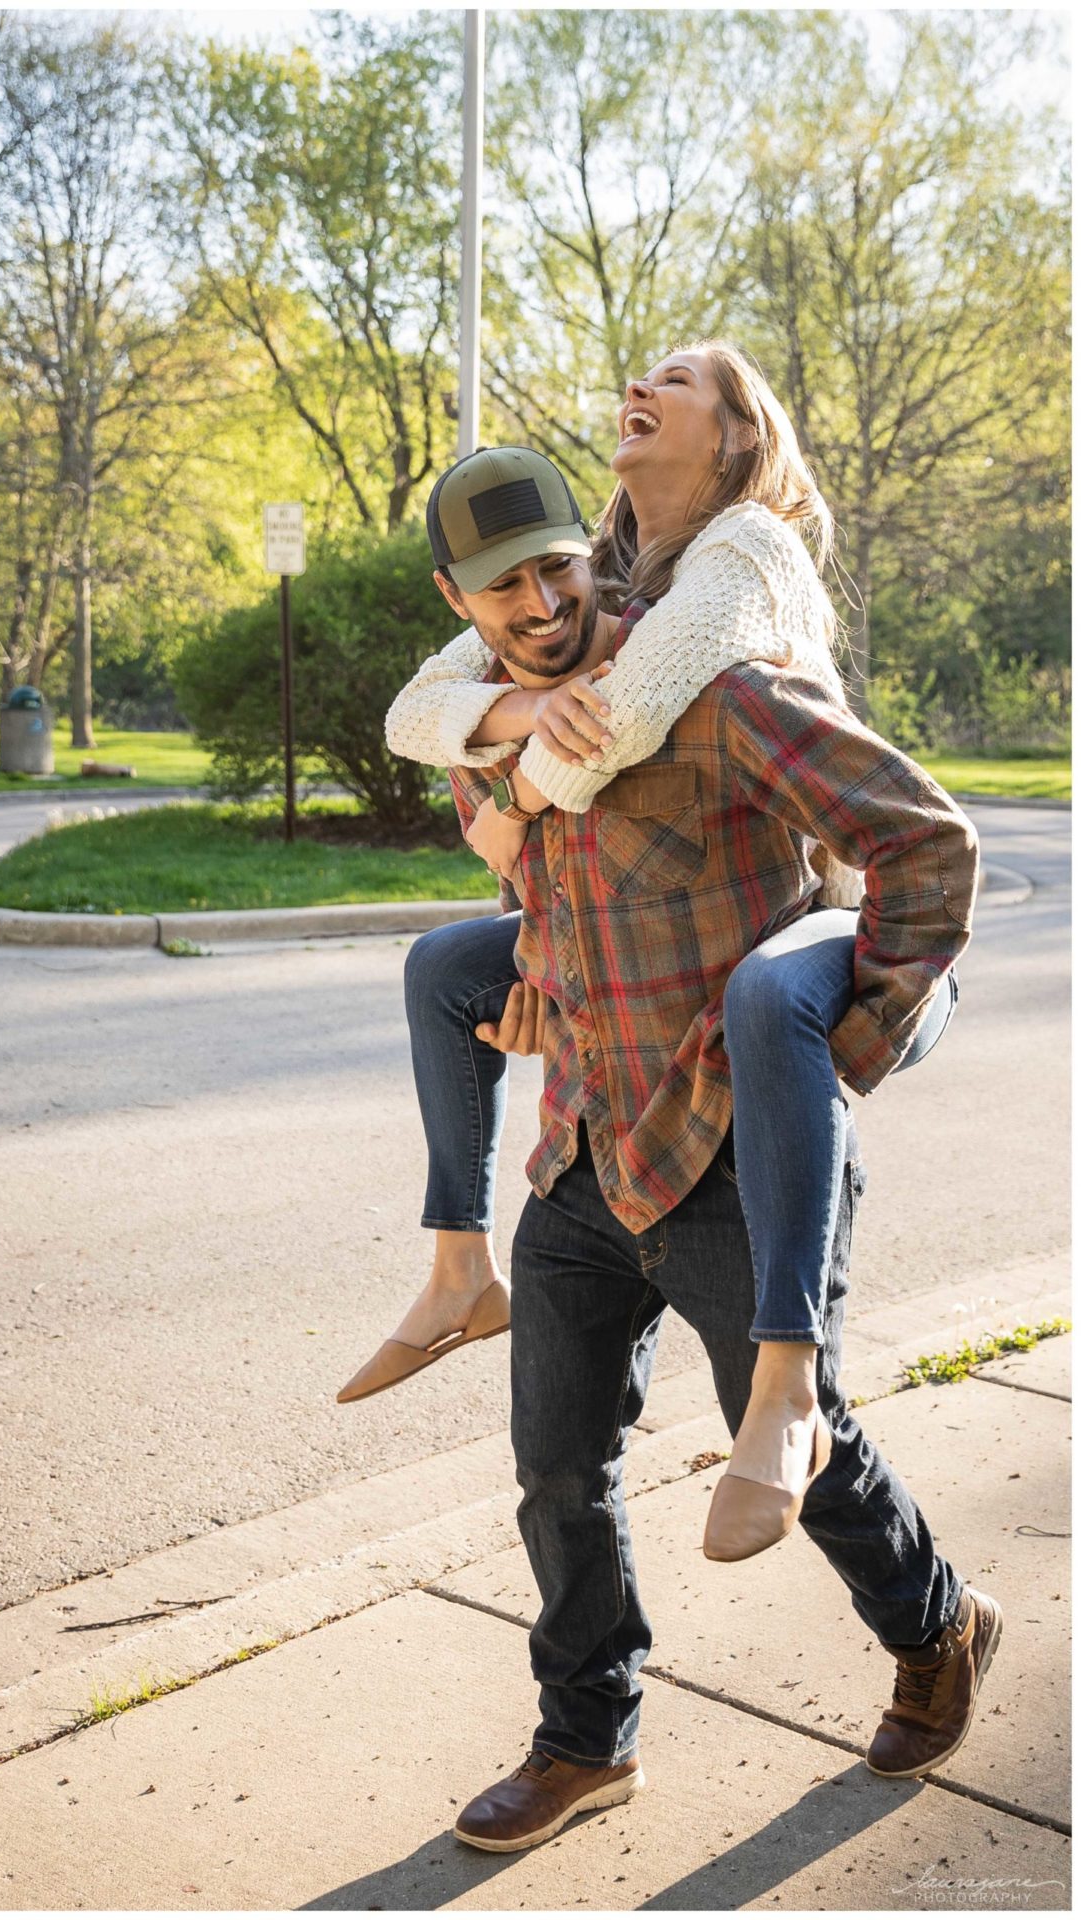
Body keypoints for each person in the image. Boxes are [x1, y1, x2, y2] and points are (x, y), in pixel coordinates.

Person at [350, 370, 998, 1850]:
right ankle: (587, 1738)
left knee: (800, 1442)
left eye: (553, 567)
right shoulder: (511, 738)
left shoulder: (714, 687)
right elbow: (537, 911)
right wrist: (529, 994)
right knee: (554, 1475)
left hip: (726, 1150)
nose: (535, 601)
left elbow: (925, 845)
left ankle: (936, 1623)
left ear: (593, 554)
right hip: (582, 1147)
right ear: (463, 603)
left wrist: (848, 1041)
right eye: (499, 588)